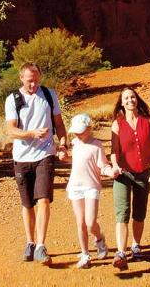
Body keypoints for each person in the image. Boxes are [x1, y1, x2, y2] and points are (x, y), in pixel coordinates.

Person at [5, 62, 66, 264]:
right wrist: (32, 133)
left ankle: (40, 245)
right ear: (21, 78)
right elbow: (11, 131)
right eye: (30, 81)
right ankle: (29, 242)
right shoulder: (13, 99)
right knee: (27, 203)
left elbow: (59, 123)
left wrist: (63, 143)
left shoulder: (49, 95)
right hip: (22, 157)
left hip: (45, 154)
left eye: (36, 80)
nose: (34, 84)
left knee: (43, 199)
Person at [108, 86, 150, 270]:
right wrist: (115, 165)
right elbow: (114, 151)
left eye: (133, 97)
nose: (130, 100)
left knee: (139, 212)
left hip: (144, 172)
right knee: (122, 212)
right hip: (123, 174)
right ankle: (121, 252)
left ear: (137, 100)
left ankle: (136, 245)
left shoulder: (148, 121)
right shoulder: (117, 124)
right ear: (122, 102)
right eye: (126, 98)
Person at [63, 113, 115, 268]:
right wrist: (65, 158)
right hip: (75, 186)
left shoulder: (97, 145)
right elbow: (76, 160)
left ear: (89, 128)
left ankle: (99, 239)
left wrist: (110, 171)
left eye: (81, 131)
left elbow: (102, 165)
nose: (78, 134)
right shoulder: (74, 143)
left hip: (91, 186)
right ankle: (85, 254)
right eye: (76, 131)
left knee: (90, 222)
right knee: (80, 223)